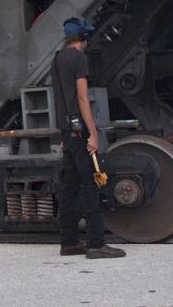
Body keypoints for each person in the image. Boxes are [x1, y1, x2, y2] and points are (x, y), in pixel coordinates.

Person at [52, 16, 125, 259]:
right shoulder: (79, 58)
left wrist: (64, 131)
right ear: (83, 37)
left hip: (65, 130)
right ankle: (96, 244)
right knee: (91, 184)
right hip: (79, 130)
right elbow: (82, 98)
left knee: (70, 187)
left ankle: (69, 242)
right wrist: (92, 132)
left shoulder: (58, 58)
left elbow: (60, 96)